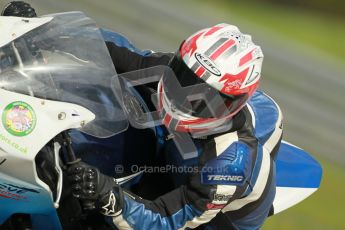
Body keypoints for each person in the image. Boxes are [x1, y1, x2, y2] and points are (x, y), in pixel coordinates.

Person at [2, 2, 283, 229]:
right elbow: (116, 51)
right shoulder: (179, 71)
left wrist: (107, 195)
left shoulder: (227, 165)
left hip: (205, 217)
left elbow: (165, 220)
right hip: (171, 158)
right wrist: (38, 34)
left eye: (204, 98)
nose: (184, 96)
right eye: (183, 78)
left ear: (233, 104)